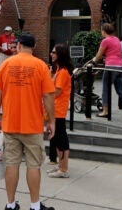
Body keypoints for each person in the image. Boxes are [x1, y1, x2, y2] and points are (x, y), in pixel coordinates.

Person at [0, 32, 56, 210]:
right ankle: (35, 206)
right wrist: (51, 121)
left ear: (18, 46)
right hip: (32, 125)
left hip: (10, 123)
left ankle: (10, 204)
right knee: (33, 165)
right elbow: (48, 96)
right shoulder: (41, 66)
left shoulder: (6, 64)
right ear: (33, 47)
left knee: (11, 164)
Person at [93, 23, 122, 117]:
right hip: (121, 67)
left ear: (103, 31)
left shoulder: (105, 41)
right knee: (120, 90)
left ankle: (105, 111)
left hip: (111, 67)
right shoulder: (116, 39)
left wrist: (94, 62)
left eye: (101, 30)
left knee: (105, 89)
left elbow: (99, 55)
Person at [47, 44, 73, 179]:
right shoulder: (59, 70)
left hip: (59, 110)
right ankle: (61, 166)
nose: (51, 54)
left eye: (54, 52)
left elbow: (57, 91)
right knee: (57, 139)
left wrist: (45, 93)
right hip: (55, 109)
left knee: (61, 139)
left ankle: (63, 169)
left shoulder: (63, 72)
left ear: (60, 55)